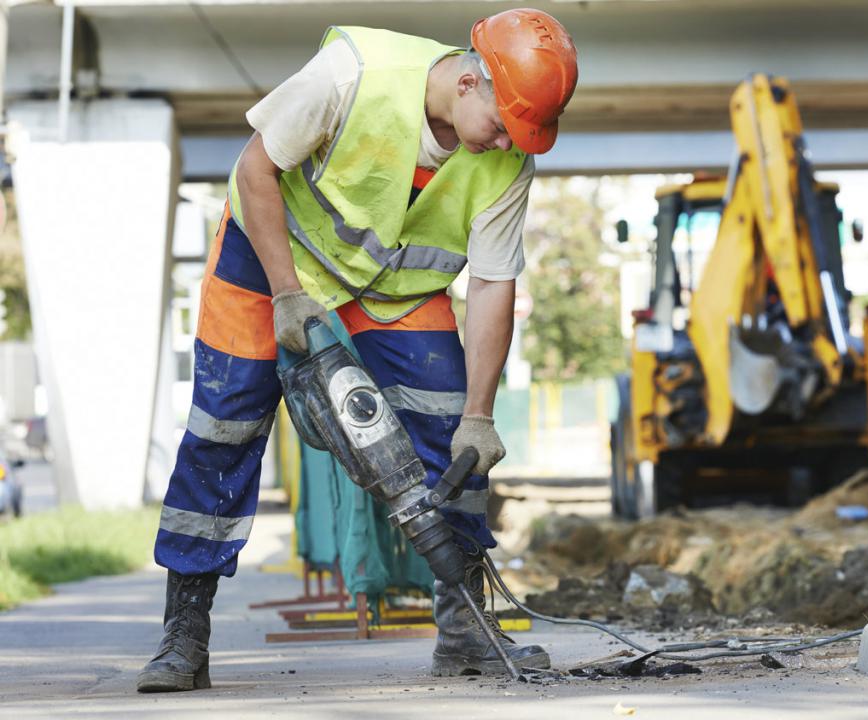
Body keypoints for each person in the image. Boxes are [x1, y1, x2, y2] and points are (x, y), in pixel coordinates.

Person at [137, 8, 578, 692]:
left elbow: (493, 284)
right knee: (222, 432)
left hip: (390, 286)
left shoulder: (508, 157)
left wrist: (481, 415)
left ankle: (466, 632)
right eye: (504, 124)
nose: (506, 143)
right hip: (268, 259)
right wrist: (286, 294)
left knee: (451, 432)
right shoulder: (355, 72)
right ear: (470, 83)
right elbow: (256, 171)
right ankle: (184, 635)